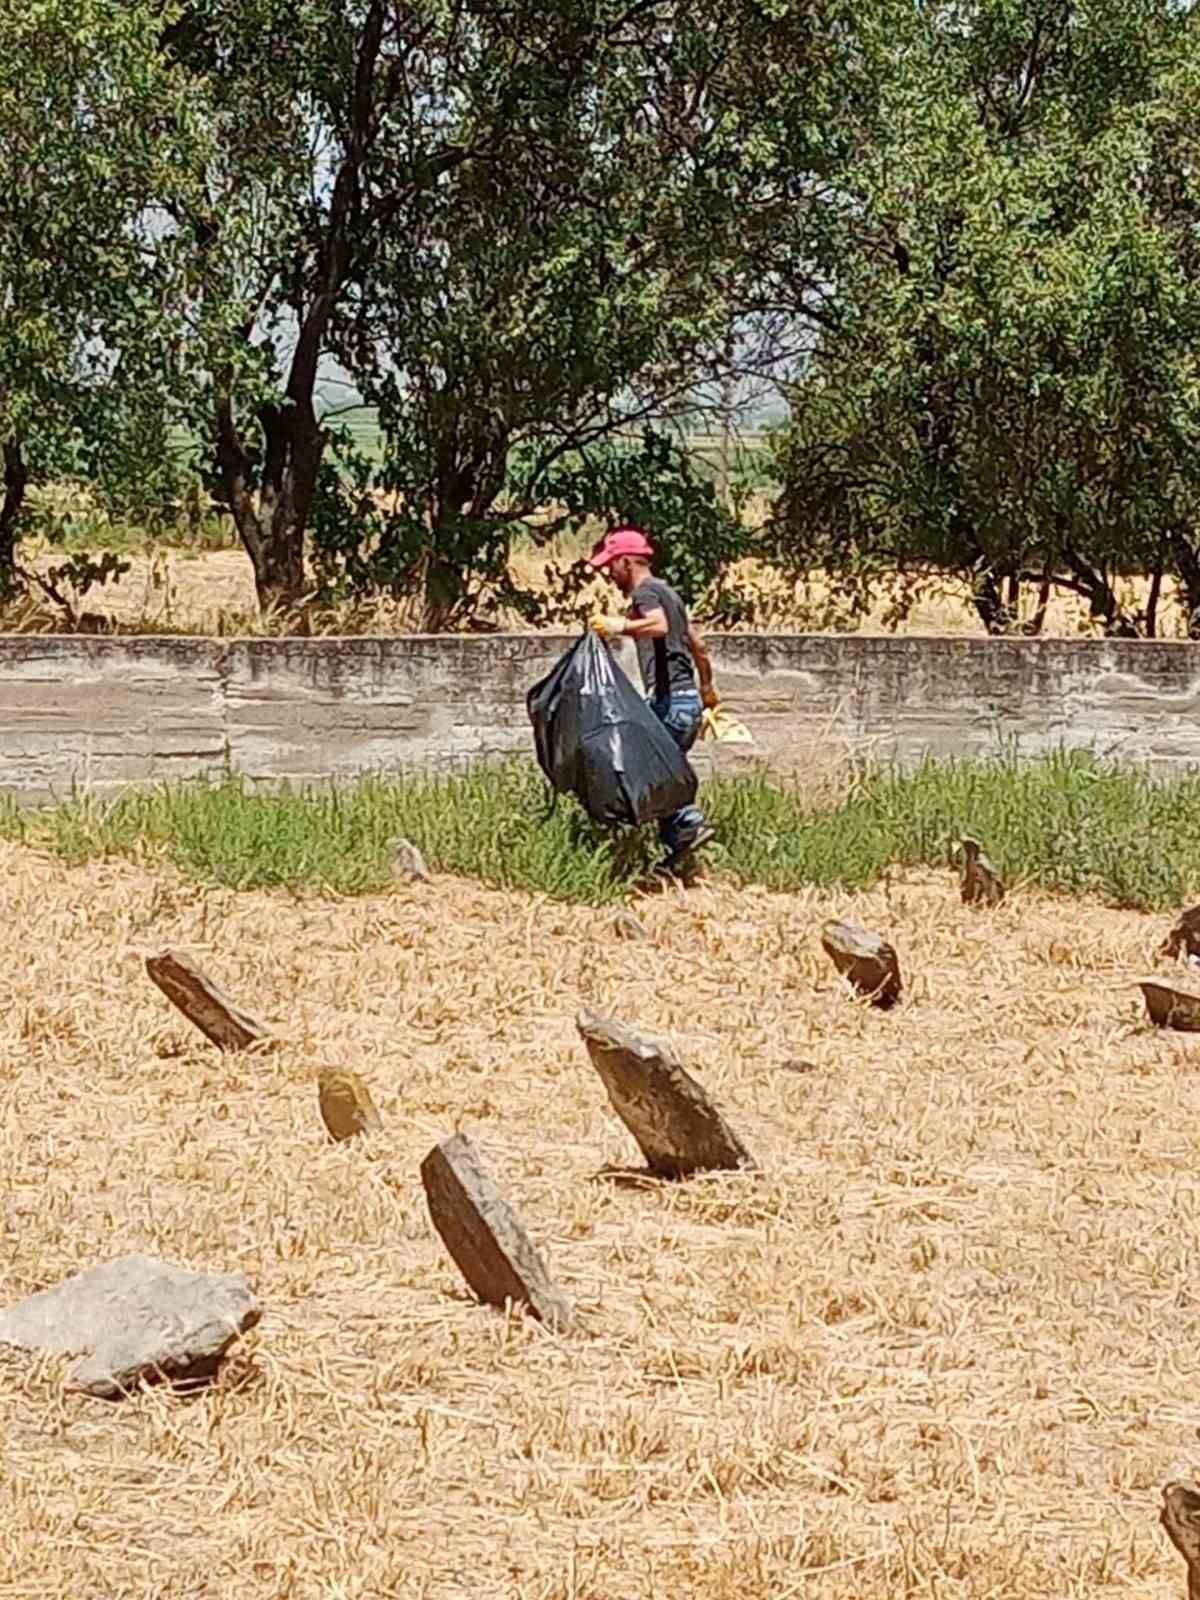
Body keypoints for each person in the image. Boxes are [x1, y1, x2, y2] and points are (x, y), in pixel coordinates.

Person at [588, 525, 718, 872]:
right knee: (660, 772)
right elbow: (698, 645)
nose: (609, 574)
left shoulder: (646, 594)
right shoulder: (670, 593)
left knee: (645, 769)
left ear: (627, 561)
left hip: (670, 702)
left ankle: (689, 822)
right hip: (686, 702)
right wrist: (706, 690)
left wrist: (619, 627)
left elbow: (658, 626)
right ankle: (676, 859)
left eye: (611, 565)